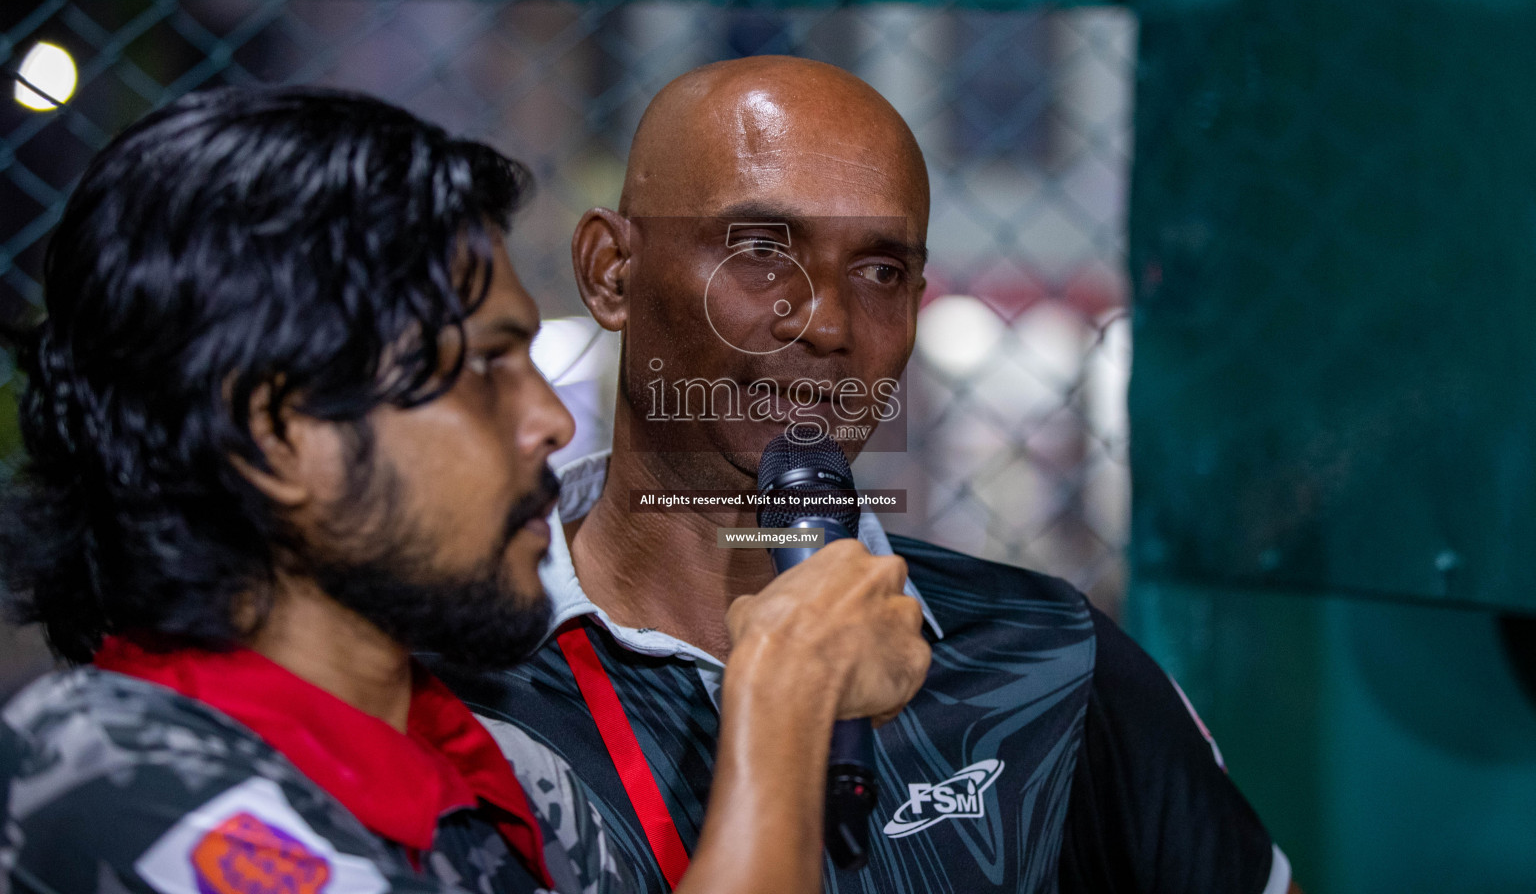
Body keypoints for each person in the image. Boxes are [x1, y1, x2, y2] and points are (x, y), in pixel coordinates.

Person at [0, 87, 931, 894]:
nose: (552, 422)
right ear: (282, 434)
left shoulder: (512, 783)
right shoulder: (91, 770)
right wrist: (784, 702)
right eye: (485, 365)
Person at [443, 56, 1303, 894]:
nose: (825, 322)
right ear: (611, 271)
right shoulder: (452, 674)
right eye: (760, 249)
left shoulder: (1050, 660)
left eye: (882, 270)